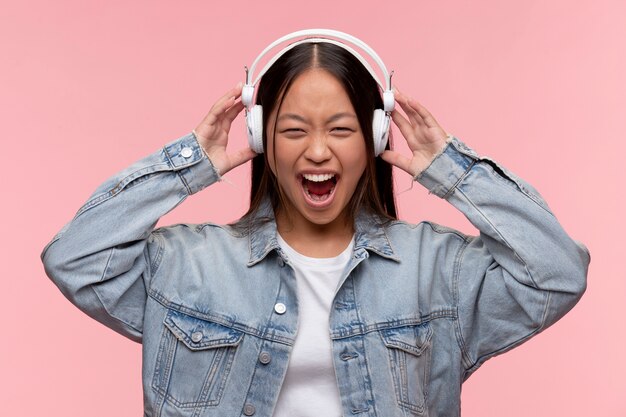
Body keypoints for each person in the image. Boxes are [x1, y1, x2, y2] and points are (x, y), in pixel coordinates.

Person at [41, 30, 589, 417]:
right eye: (294, 130)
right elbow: (75, 258)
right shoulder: (190, 266)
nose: (319, 151)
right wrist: (189, 165)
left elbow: (556, 274)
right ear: (260, 141)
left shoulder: (435, 270)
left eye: (342, 130)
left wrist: (453, 170)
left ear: (374, 141)